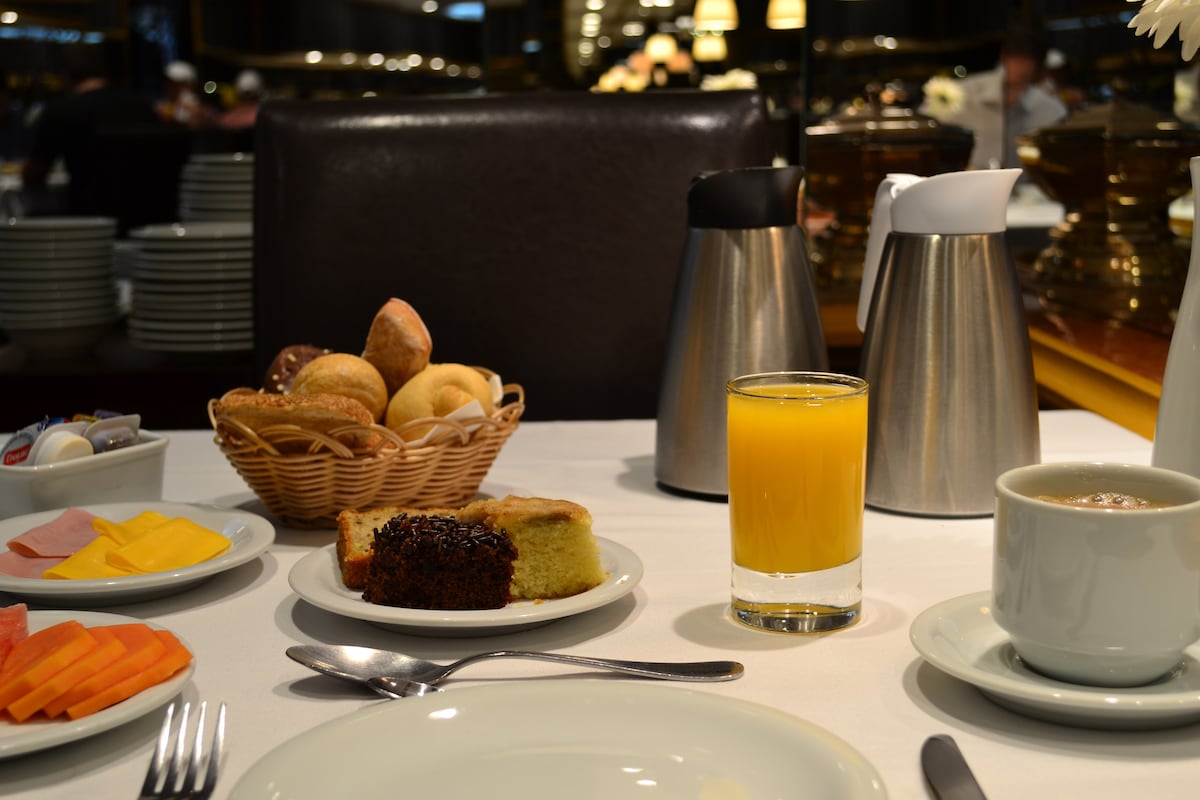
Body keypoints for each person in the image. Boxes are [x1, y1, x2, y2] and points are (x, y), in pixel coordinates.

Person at [21, 44, 162, 219]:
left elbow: (33, 176)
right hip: (147, 215)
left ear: (65, 76)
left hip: (87, 222)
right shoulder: (142, 106)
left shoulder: (62, 111)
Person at [921, 27, 1067, 172]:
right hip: (970, 181)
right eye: (1018, 59)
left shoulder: (1047, 106)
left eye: (1028, 61)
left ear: (1037, 66)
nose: (1022, 67)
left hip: (1022, 188)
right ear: (1004, 57)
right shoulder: (964, 91)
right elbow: (926, 124)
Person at [155, 60, 215, 128]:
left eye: (176, 84)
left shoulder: (195, 104)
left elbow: (196, 120)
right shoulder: (164, 102)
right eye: (168, 82)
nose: (170, 86)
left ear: (189, 85)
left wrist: (173, 114)